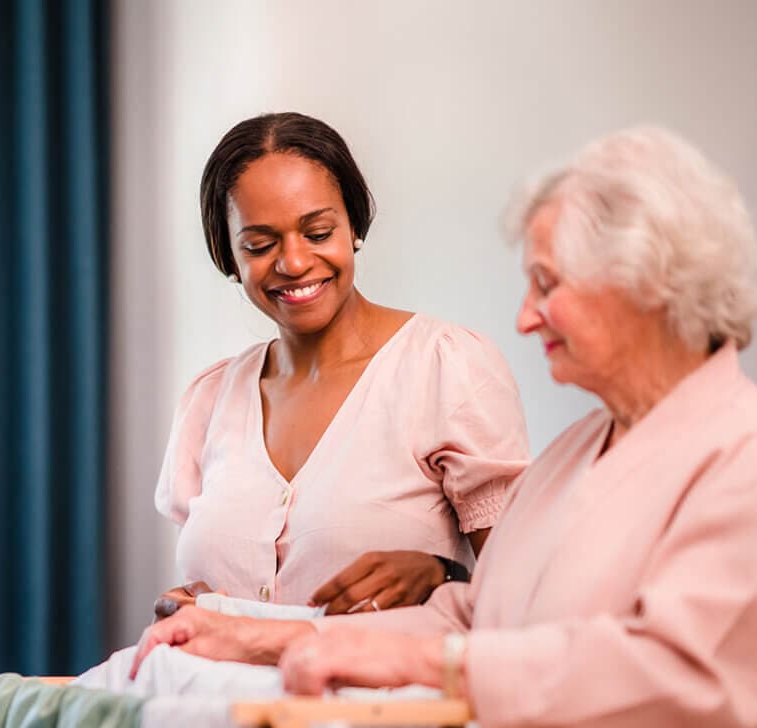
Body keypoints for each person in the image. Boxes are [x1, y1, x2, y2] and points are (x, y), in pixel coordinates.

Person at [135, 126, 757, 728]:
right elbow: (478, 613)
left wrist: (438, 657)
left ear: (648, 287)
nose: (525, 315)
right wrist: (260, 640)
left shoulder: (751, 457)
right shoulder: (581, 452)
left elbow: (691, 686)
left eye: (547, 286)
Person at [149, 112, 528, 624]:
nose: (294, 262)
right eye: (259, 245)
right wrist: (186, 611)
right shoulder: (209, 399)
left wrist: (443, 574)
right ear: (229, 257)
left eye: (318, 231)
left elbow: (526, 594)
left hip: (384, 704)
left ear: (354, 227)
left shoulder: (444, 367)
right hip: (220, 701)